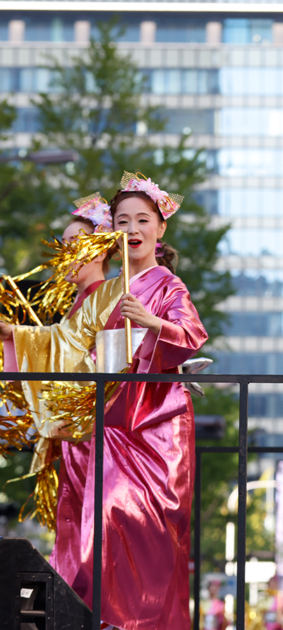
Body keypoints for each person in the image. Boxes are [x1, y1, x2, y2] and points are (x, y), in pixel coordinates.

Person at [1, 172, 208, 630]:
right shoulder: (110, 291)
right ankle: (103, 620)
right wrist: (17, 335)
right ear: (113, 231)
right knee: (99, 530)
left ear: (160, 228)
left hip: (155, 428)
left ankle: (144, 623)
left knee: (134, 523)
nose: (133, 229)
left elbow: (191, 336)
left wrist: (153, 323)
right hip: (109, 428)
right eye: (123, 221)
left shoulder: (169, 286)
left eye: (142, 219)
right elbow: (70, 339)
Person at [49, 194, 115, 603]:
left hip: (94, 429)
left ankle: (92, 608)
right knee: (72, 521)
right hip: (74, 431)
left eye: (75, 242)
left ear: (98, 247)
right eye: (63, 243)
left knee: (92, 522)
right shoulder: (80, 301)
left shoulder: (108, 295)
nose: (66, 252)